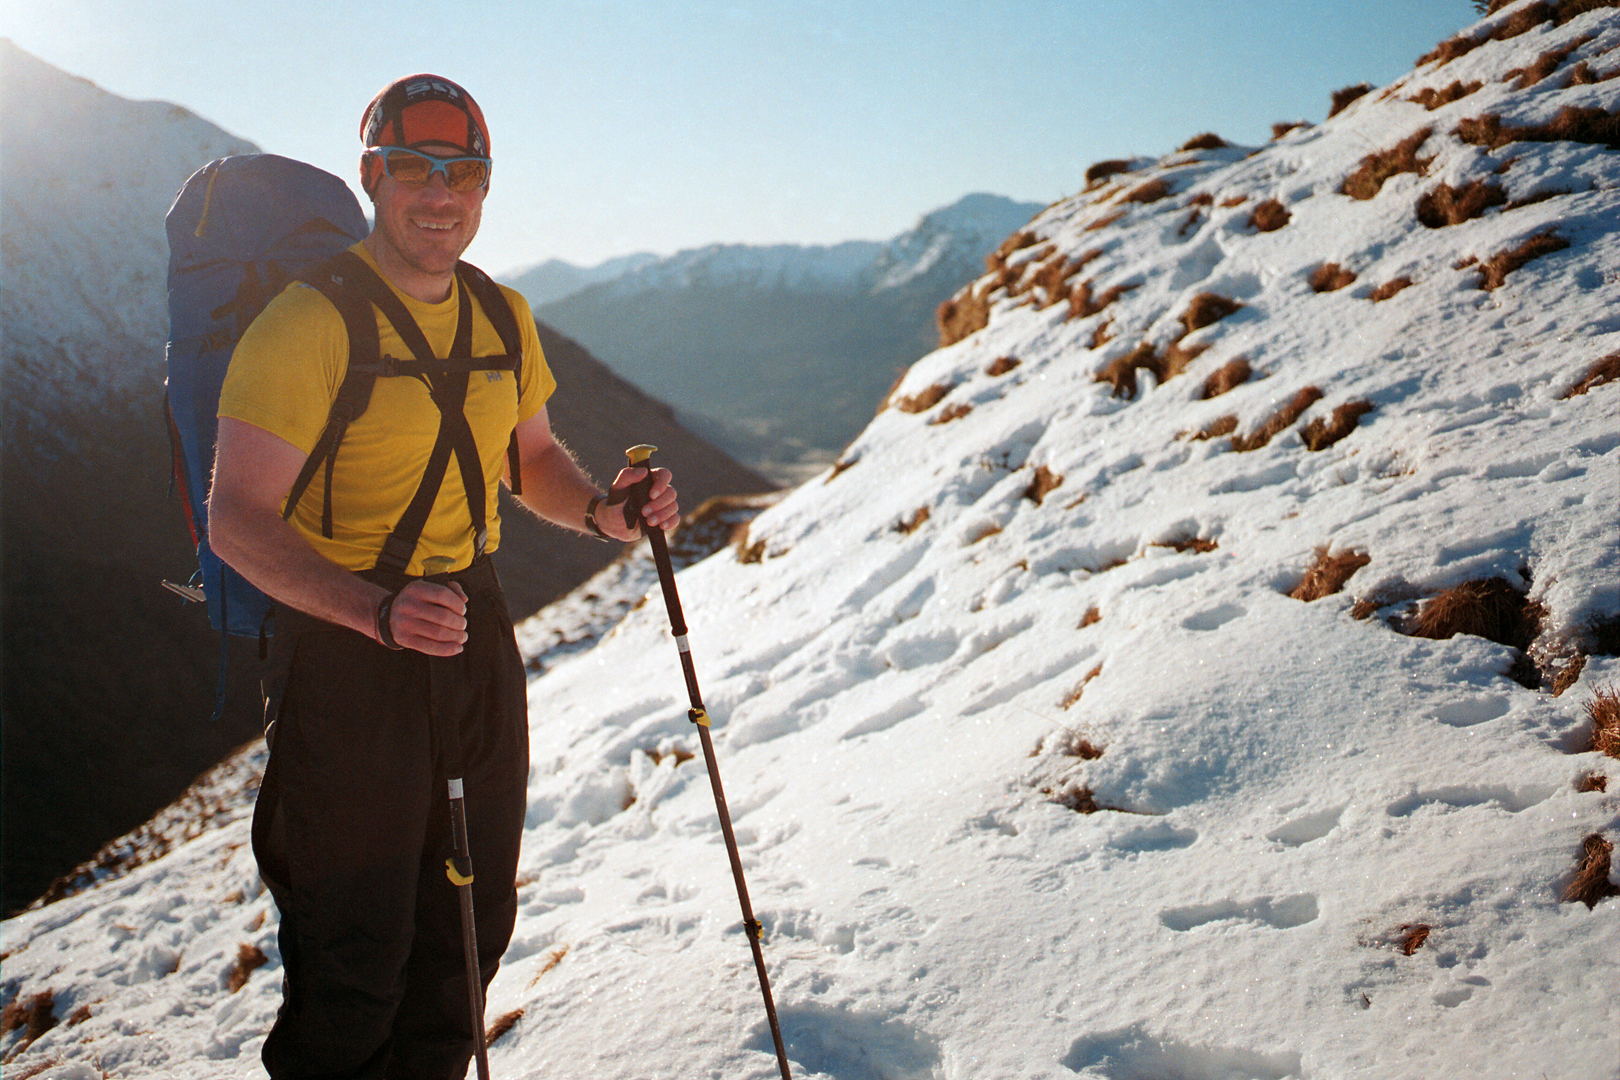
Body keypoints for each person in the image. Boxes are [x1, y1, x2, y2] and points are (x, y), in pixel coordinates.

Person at [208, 73, 678, 1079]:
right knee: (355, 955)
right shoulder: (307, 323)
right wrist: (375, 612)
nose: (439, 192)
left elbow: (530, 458)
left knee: (469, 932)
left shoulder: (503, 316)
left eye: (462, 172)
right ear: (372, 175)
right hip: (343, 648)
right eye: (414, 168)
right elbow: (237, 519)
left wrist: (603, 512)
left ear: (485, 186)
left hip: (472, 628)